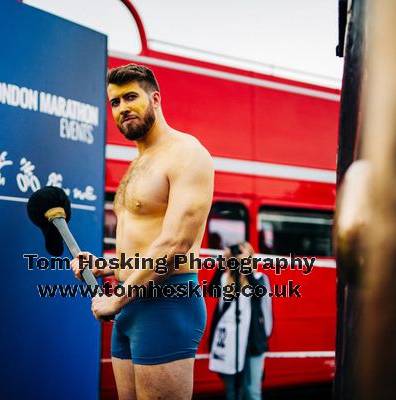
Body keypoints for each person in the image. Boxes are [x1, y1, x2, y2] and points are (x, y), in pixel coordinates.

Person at [70, 63, 214, 400]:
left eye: (131, 97)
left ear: (155, 99)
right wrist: (105, 266)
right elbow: (142, 243)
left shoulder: (187, 153)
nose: (122, 108)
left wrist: (118, 298)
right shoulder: (137, 164)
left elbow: (175, 244)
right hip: (129, 301)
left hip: (166, 301)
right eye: (115, 102)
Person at [208, 241, 273, 400]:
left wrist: (246, 267)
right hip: (228, 344)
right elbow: (212, 291)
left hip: (252, 344)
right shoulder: (226, 279)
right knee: (232, 392)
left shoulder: (259, 278)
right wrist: (223, 263)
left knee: (252, 392)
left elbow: (258, 293)